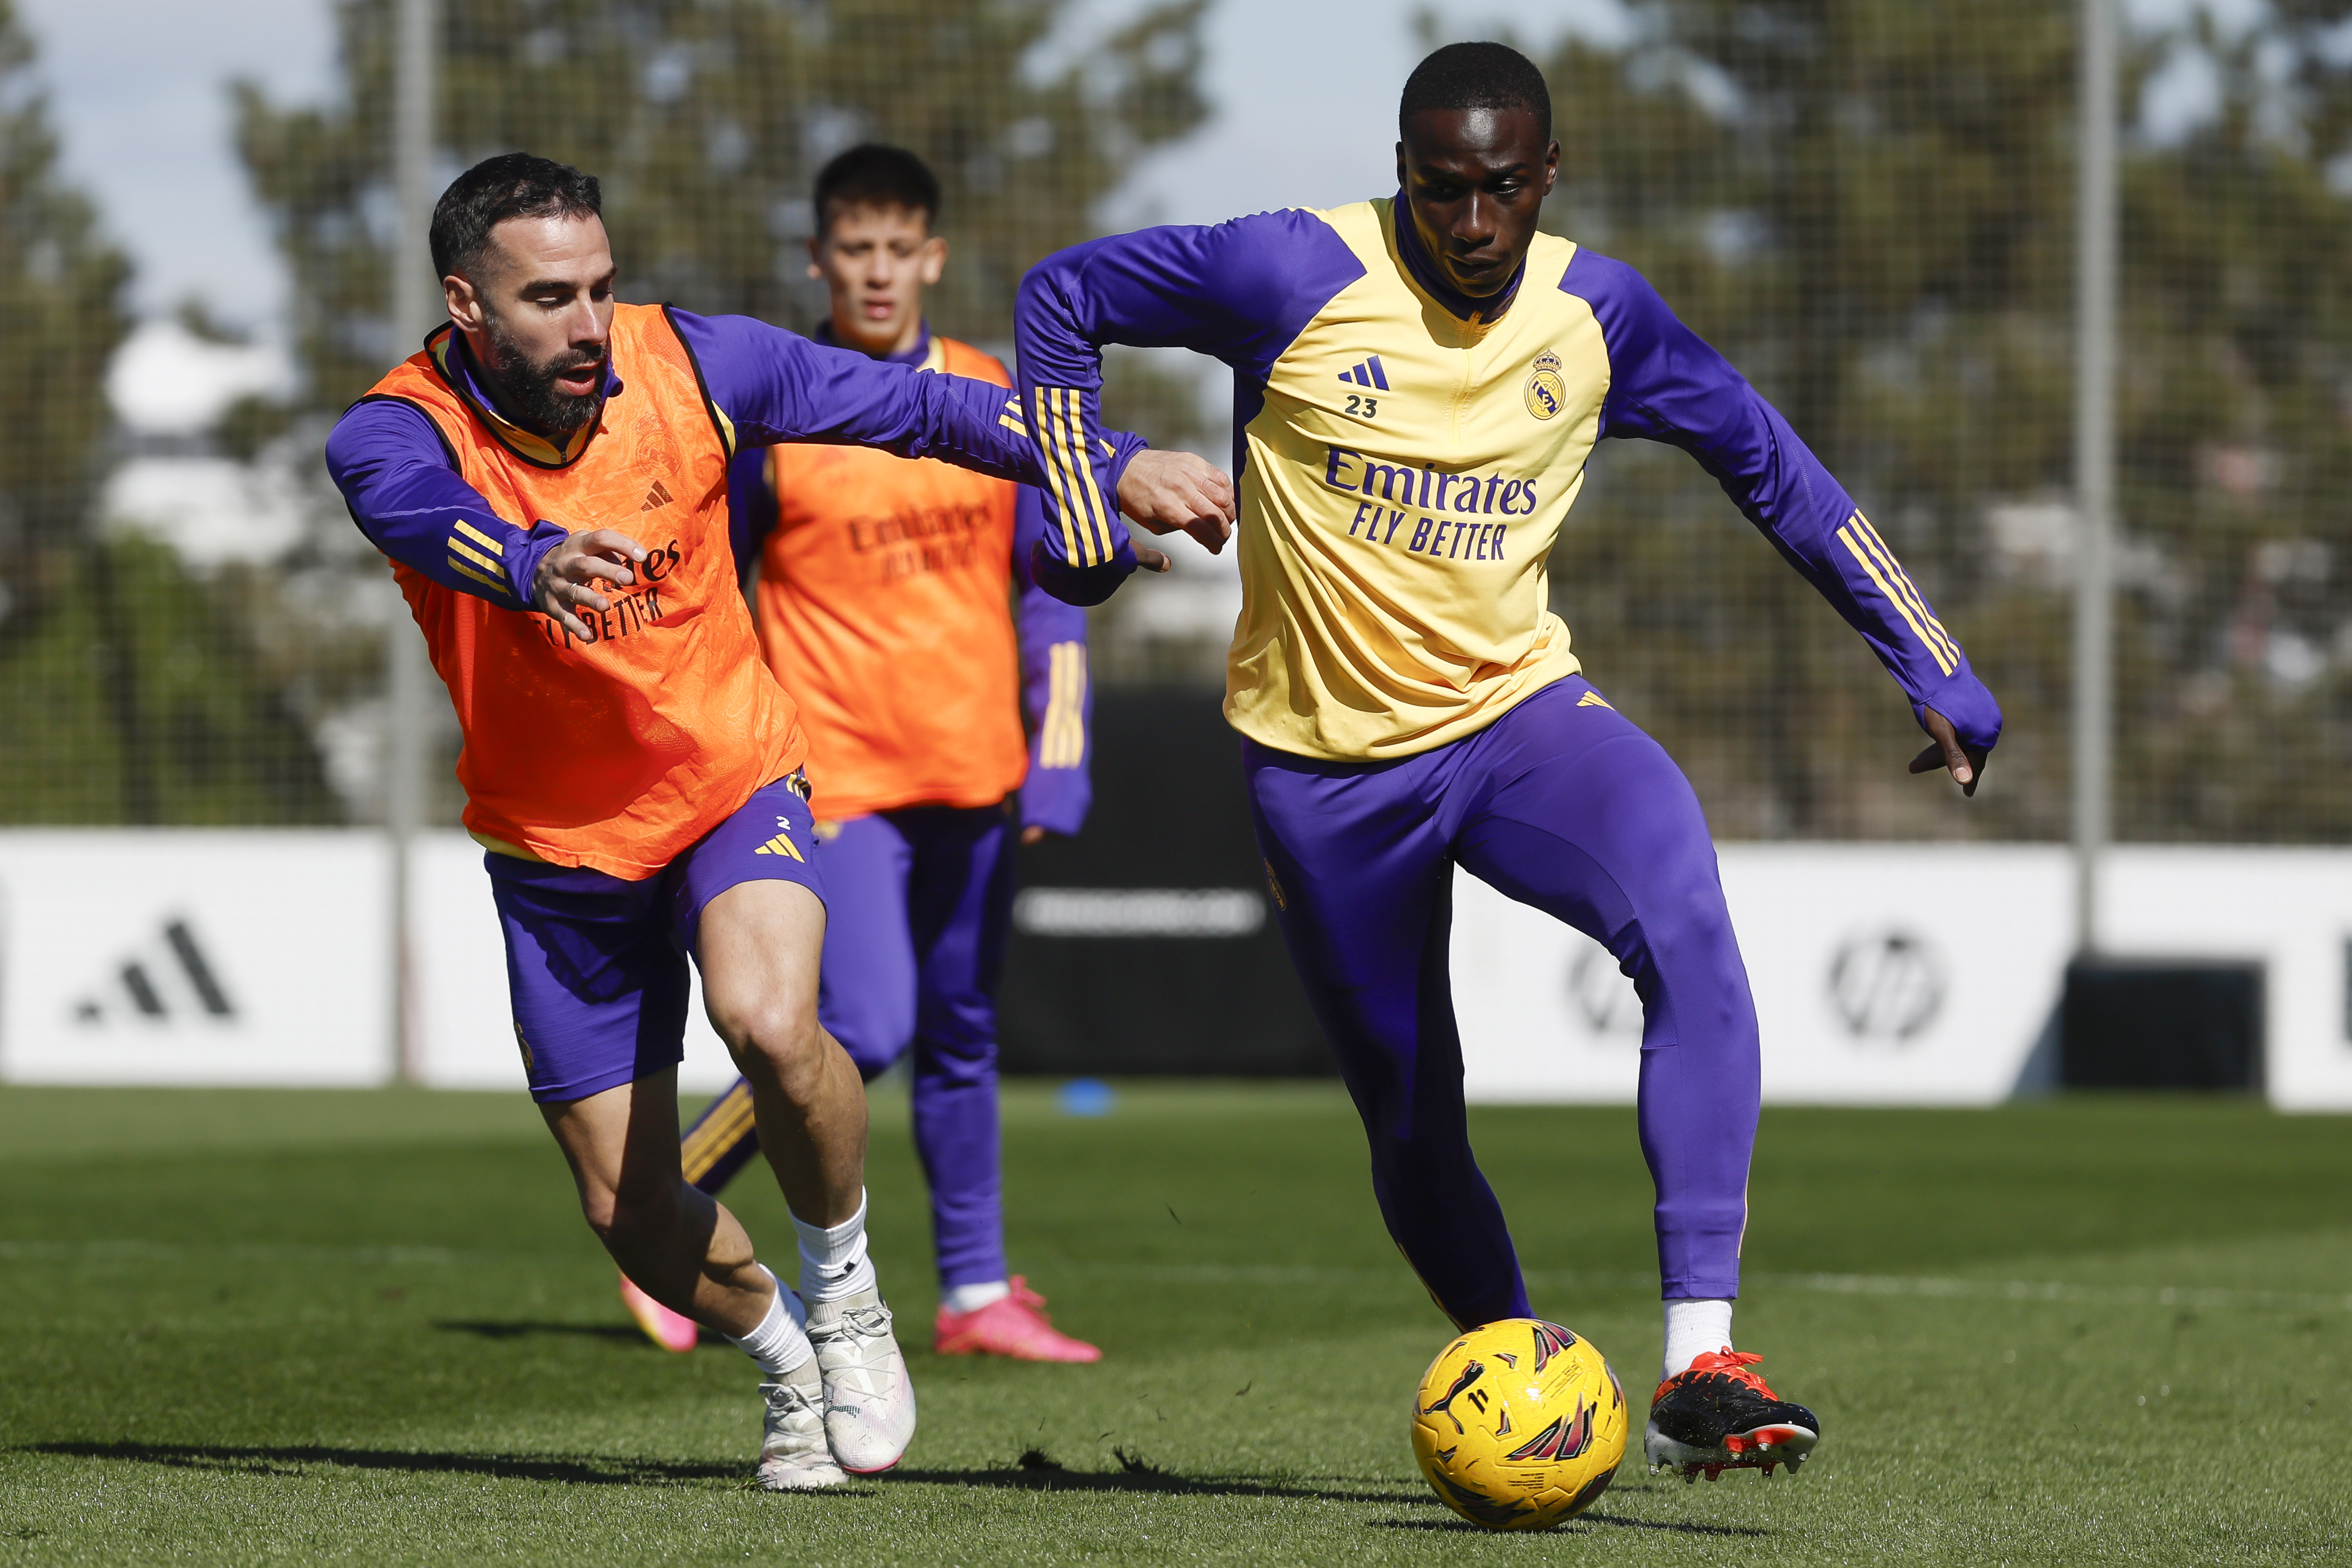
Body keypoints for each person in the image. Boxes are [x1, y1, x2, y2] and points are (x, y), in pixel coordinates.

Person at [1009, 42, 2001, 1484]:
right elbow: (1060, 297)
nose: (1471, 227)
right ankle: (1537, 1387)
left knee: (1686, 922)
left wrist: (1930, 657)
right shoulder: (1287, 271)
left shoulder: (1599, 314)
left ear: (1549, 178)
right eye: (1440, 189)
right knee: (1415, 1129)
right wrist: (1089, 476)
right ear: (1402, 168)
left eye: (1500, 192)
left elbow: (1769, 463)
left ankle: (1699, 1365)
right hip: (1322, 773)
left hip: (1518, 723)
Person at [324, 153, 1224, 1489]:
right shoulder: (391, 429)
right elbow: (414, 510)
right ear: (468, 305)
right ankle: (789, 1358)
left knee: (773, 1015)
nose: (589, 326)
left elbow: (921, 408)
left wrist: (1113, 456)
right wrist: (529, 561)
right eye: (550, 297)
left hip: (731, 781)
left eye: (603, 289)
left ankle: (852, 1291)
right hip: (556, 850)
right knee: (628, 1217)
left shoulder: (694, 361)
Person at [614, 144, 1100, 1365]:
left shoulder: (992, 393)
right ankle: (667, 1222)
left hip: (978, 769)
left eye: (899, 250)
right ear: (821, 260)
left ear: (930, 257)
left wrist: (1062, 751)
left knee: (966, 1029)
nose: (877, 273)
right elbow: (709, 583)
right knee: (867, 1025)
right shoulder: (779, 414)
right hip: (838, 779)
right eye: (854, 250)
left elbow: (1048, 593)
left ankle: (978, 1290)